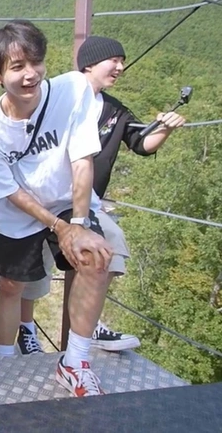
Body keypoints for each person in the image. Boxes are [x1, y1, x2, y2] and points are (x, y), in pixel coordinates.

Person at [0, 20, 114, 397]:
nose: (31, 74)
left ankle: (75, 362)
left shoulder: (73, 90)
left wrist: (78, 223)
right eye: (17, 67)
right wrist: (57, 227)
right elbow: (10, 191)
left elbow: (82, 158)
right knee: (13, 285)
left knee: (95, 258)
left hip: (66, 199)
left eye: (36, 62)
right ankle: (3, 361)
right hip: (17, 213)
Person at [15, 36, 186, 355]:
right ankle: (27, 330)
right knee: (31, 271)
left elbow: (141, 143)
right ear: (89, 64)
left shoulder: (114, 110)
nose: (120, 67)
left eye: (122, 61)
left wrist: (166, 127)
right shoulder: (54, 96)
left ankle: (88, 326)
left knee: (107, 252)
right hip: (35, 197)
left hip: (80, 203)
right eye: (114, 60)